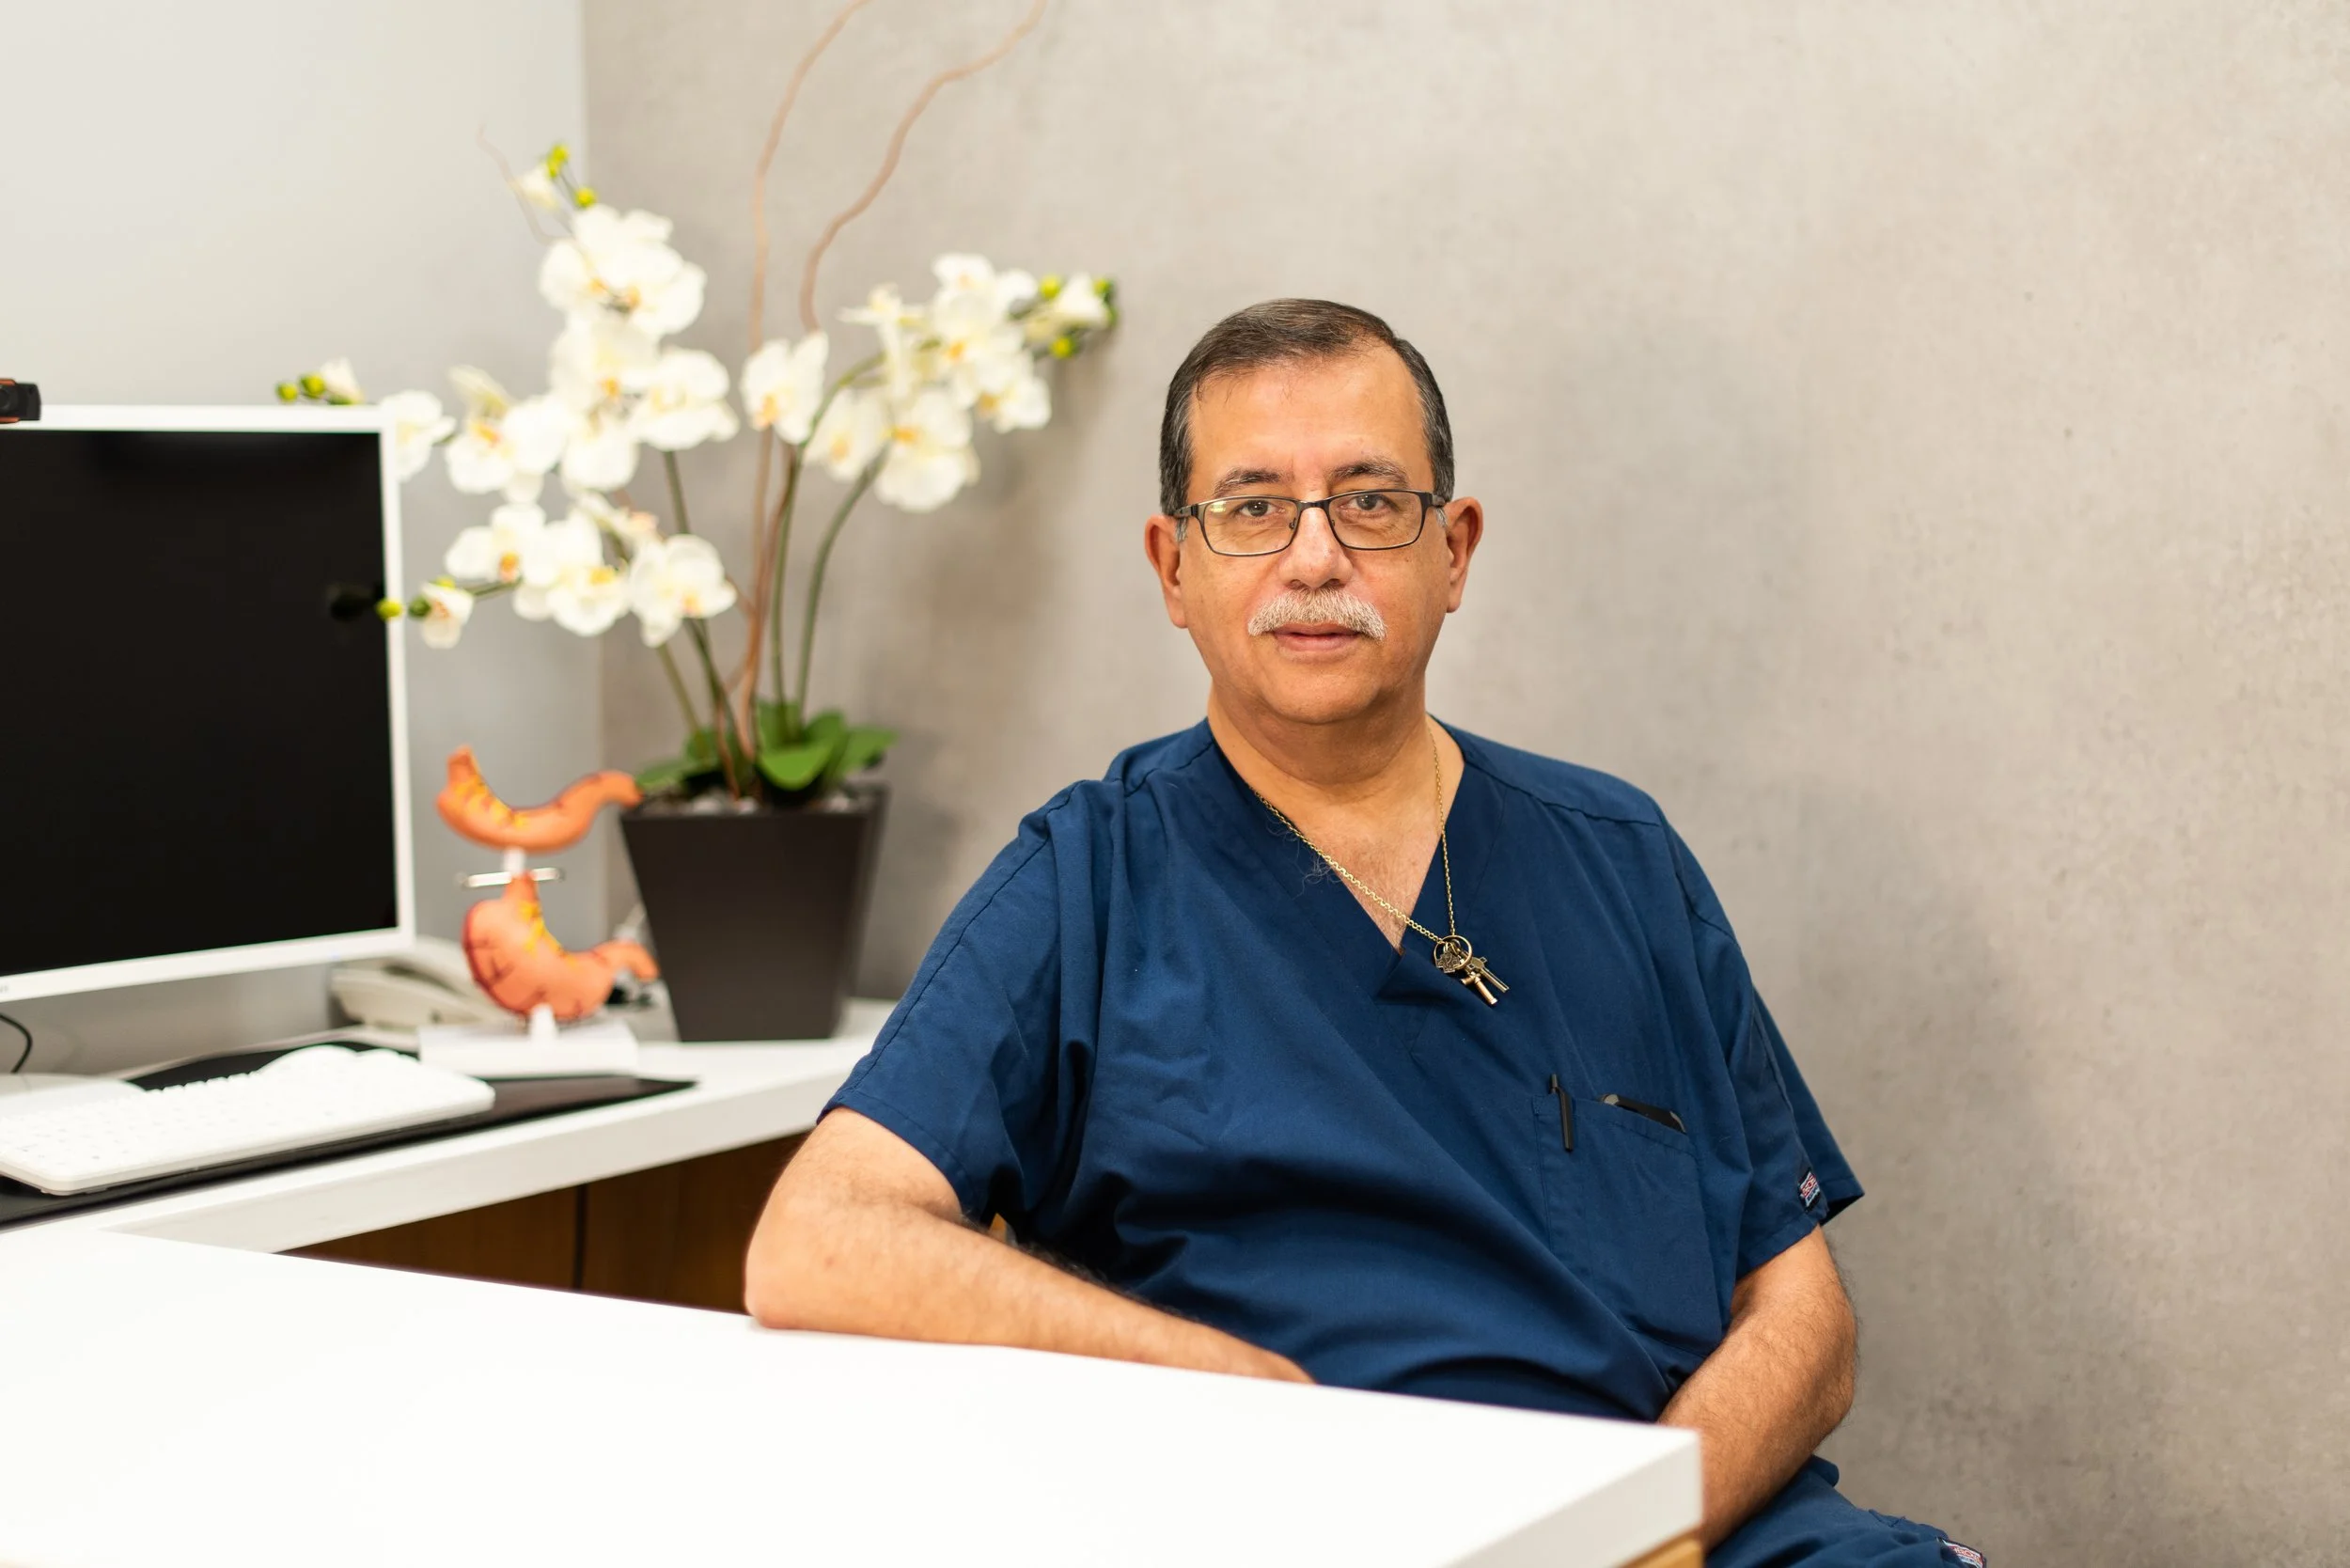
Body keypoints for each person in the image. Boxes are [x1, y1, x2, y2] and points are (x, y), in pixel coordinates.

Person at [745, 299, 1982, 1566]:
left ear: (1456, 549)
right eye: (1252, 507)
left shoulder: (1620, 852)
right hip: (1314, 1528)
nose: (1316, 558)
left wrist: (1650, 1522)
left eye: (1372, 502)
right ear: (1174, 568)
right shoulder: (1089, 879)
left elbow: (1800, 1308)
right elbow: (819, 1239)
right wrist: (1237, 1389)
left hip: (1704, 1535)